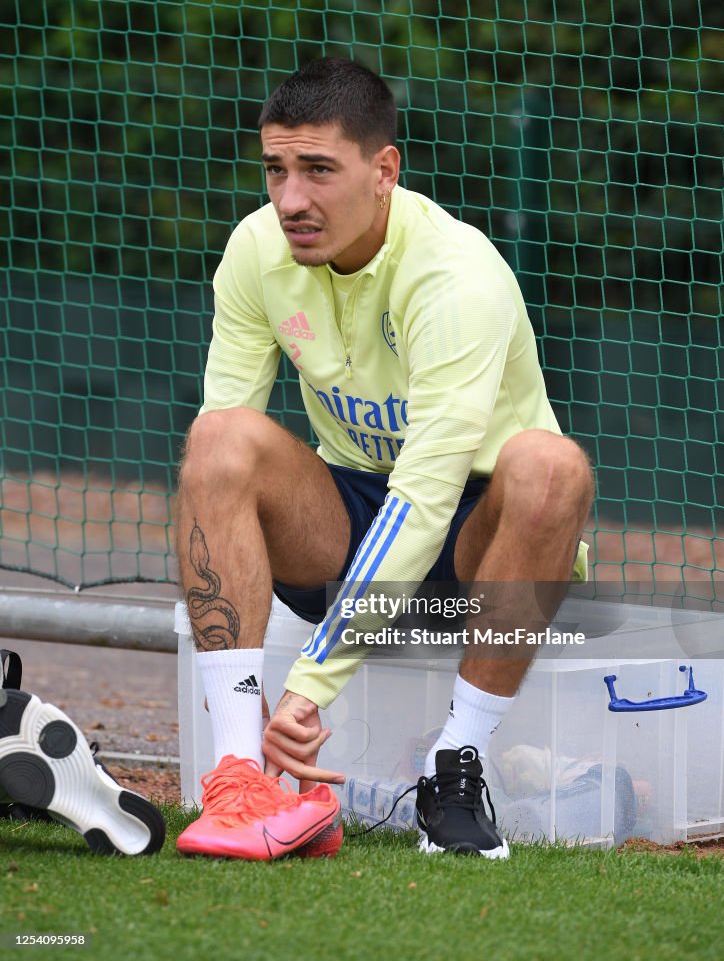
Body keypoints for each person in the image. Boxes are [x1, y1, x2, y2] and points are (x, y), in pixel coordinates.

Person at [175, 57, 594, 861]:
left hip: (480, 537)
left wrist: (310, 683)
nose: (291, 199)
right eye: (276, 169)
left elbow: (428, 494)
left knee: (552, 465)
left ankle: (454, 767)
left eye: (319, 171)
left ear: (383, 172)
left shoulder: (455, 276)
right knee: (219, 437)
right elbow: (219, 455)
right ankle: (237, 776)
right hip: (347, 515)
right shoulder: (256, 249)